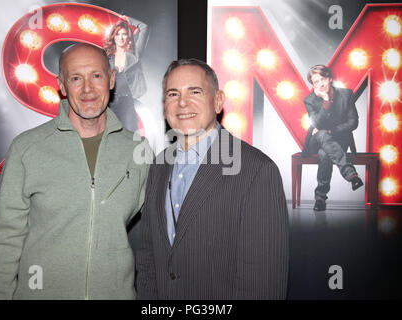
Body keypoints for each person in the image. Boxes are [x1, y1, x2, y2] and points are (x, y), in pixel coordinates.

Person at [0, 43, 151, 299]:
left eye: (96, 75)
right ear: (61, 85)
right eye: (75, 78)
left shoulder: (138, 151)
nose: (87, 89)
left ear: (112, 79)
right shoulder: (27, 148)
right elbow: (4, 240)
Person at [135, 58, 289, 300]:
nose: (182, 103)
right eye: (173, 94)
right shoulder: (158, 165)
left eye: (194, 92)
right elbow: (148, 257)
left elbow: (262, 284)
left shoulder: (257, 171)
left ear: (218, 101)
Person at [302, 64, 363, 211]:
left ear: (329, 79)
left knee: (325, 154)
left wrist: (331, 131)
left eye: (322, 79)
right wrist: (326, 101)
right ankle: (351, 174)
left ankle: (320, 199)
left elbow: (353, 122)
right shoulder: (310, 100)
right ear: (313, 85)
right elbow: (316, 123)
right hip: (315, 141)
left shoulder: (346, 95)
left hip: (339, 140)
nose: (320, 84)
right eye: (316, 82)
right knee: (321, 134)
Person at [104, 15, 149, 133]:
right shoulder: (107, 57)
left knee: (130, 134)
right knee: (110, 134)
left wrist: (128, 19)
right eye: (117, 34)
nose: (121, 38)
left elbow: (144, 27)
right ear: (113, 36)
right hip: (110, 102)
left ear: (128, 36)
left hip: (127, 101)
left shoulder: (134, 54)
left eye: (124, 34)